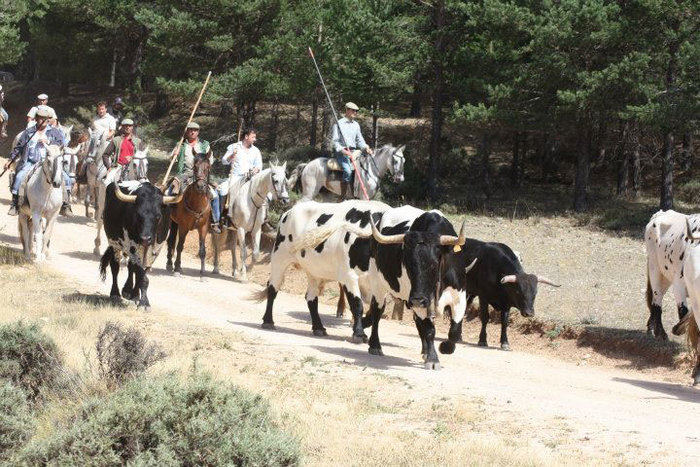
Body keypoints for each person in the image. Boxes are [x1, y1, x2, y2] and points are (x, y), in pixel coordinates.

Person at [4, 107, 66, 216]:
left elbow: (62, 144)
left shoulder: (54, 133)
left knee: (66, 178)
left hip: (48, 163)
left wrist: (49, 141)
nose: (42, 121)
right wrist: (10, 160)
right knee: (19, 177)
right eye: (40, 118)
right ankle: (15, 204)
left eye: (45, 119)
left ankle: (65, 204)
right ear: (36, 119)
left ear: (48, 120)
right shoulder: (29, 132)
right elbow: (18, 147)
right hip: (31, 162)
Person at [213, 127, 263, 231]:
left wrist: (256, 169)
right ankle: (222, 217)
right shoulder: (234, 147)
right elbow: (224, 161)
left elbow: (259, 165)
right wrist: (231, 156)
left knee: (265, 192)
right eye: (253, 137)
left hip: (250, 177)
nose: (255, 139)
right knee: (222, 191)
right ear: (246, 136)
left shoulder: (256, 150)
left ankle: (263, 218)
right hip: (235, 177)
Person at [329, 102, 373, 199]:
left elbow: (360, 140)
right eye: (353, 110)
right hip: (342, 152)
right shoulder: (338, 123)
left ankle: (358, 193)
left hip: (354, 152)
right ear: (347, 110)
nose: (355, 112)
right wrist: (344, 151)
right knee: (348, 171)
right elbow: (335, 142)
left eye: (356, 111)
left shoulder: (356, 125)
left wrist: (366, 147)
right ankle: (343, 196)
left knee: (364, 169)